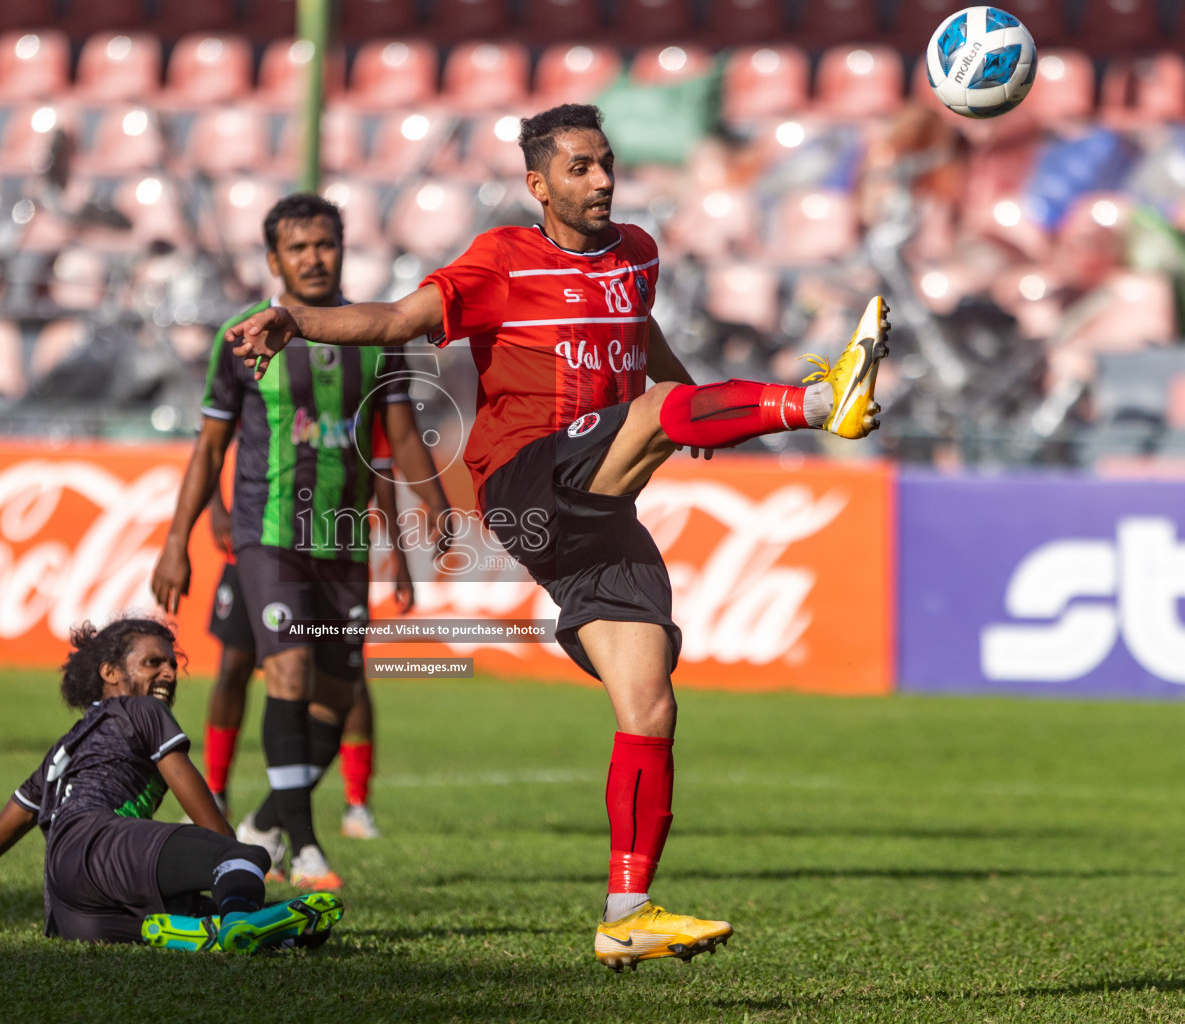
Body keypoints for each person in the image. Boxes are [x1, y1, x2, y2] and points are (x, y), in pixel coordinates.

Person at [226, 105, 890, 971]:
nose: (603, 179)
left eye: (607, 162)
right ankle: (815, 399)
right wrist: (294, 319)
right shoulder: (500, 260)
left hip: (602, 508)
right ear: (539, 185)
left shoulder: (639, 254)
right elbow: (393, 319)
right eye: (580, 168)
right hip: (525, 475)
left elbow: (641, 339)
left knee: (649, 701)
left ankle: (627, 909)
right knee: (653, 417)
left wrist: (697, 414)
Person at [151, 193, 450, 892]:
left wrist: (432, 503)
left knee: (338, 696)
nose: (314, 257)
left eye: (326, 244)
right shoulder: (242, 336)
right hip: (269, 534)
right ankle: (304, 845)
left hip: (342, 544)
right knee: (281, 672)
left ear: (342, 250)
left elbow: (398, 434)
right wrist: (177, 540)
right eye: (299, 247)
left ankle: (262, 822)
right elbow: (209, 447)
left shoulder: (376, 334)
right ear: (274, 260)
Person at [0, 617, 344, 952]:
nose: (168, 672)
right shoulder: (143, 710)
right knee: (244, 854)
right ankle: (238, 920)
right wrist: (238, 858)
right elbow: (212, 827)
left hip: (70, 911)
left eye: (172, 664)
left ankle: (226, 929)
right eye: (153, 663)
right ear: (110, 673)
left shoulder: (61, 753)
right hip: (101, 843)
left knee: (305, 930)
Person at [199, 420, 413, 839]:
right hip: (261, 540)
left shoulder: (362, 373)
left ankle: (354, 804)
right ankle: (216, 794)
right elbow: (211, 438)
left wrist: (398, 549)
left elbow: (383, 463)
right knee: (235, 664)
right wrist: (217, 507)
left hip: (332, 551)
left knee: (344, 679)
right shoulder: (267, 366)